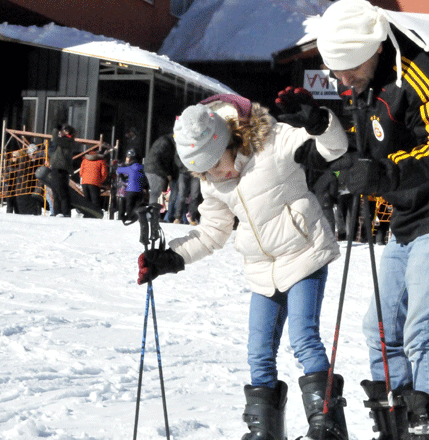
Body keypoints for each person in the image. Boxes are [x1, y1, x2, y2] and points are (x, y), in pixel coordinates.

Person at [316, 1, 429, 437]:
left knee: (424, 331)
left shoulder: (426, 72)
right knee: (380, 330)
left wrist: (382, 174)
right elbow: (363, 150)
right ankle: (397, 426)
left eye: (349, 69)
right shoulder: (366, 83)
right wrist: (319, 126)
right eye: (336, 73)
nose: (343, 81)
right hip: (410, 217)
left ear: (375, 48)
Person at [136, 91, 349, 440]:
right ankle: (265, 432)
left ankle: (327, 424)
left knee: (304, 338)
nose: (217, 174)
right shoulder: (213, 183)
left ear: (228, 140)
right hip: (262, 269)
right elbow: (211, 232)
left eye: (217, 163)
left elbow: (334, 148)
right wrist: (171, 258)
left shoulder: (273, 141)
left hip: (303, 255)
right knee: (258, 352)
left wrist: (318, 121)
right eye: (205, 171)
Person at [49, 124, 76, 217]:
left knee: (62, 192)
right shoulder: (62, 141)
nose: (61, 131)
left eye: (63, 130)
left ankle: (65, 213)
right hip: (56, 167)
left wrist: (56, 129)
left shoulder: (68, 141)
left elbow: (54, 139)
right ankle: (57, 212)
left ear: (67, 132)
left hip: (61, 169)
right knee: (55, 191)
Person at [116, 149, 147, 222]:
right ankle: (136, 218)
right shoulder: (142, 167)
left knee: (129, 207)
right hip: (140, 191)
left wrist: (122, 177)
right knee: (137, 207)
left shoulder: (130, 168)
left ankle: (130, 219)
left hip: (130, 190)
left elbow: (118, 170)